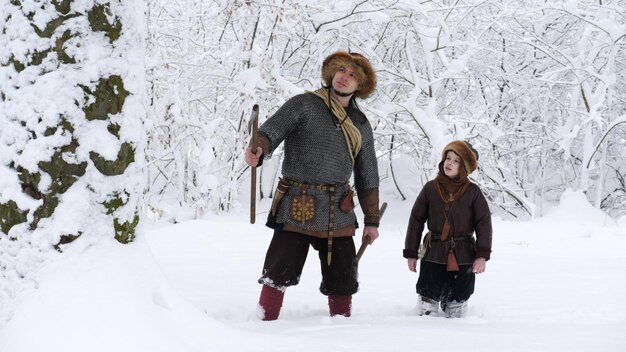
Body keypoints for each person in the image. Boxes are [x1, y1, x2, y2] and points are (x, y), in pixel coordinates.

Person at [244, 51, 381, 320]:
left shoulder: (361, 125)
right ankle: (263, 326)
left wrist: (372, 219)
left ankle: (341, 331)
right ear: (331, 73)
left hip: (338, 208)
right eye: (341, 69)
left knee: (343, 276)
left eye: (352, 74)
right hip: (297, 201)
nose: (344, 76)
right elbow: (270, 132)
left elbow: (368, 174)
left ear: (360, 85)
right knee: (278, 272)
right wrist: (258, 149)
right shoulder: (304, 104)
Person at [403, 140, 492, 318]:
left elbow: (484, 224)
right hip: (433, 254)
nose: (449, 163)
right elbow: (416, 221)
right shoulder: (430, 188)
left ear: (465, 167)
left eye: (456, 160)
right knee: (427, 304)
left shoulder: (473, 192)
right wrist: (412, 252)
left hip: (463, 256)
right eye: (447, 158)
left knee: (457, 307)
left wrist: (481, 255)